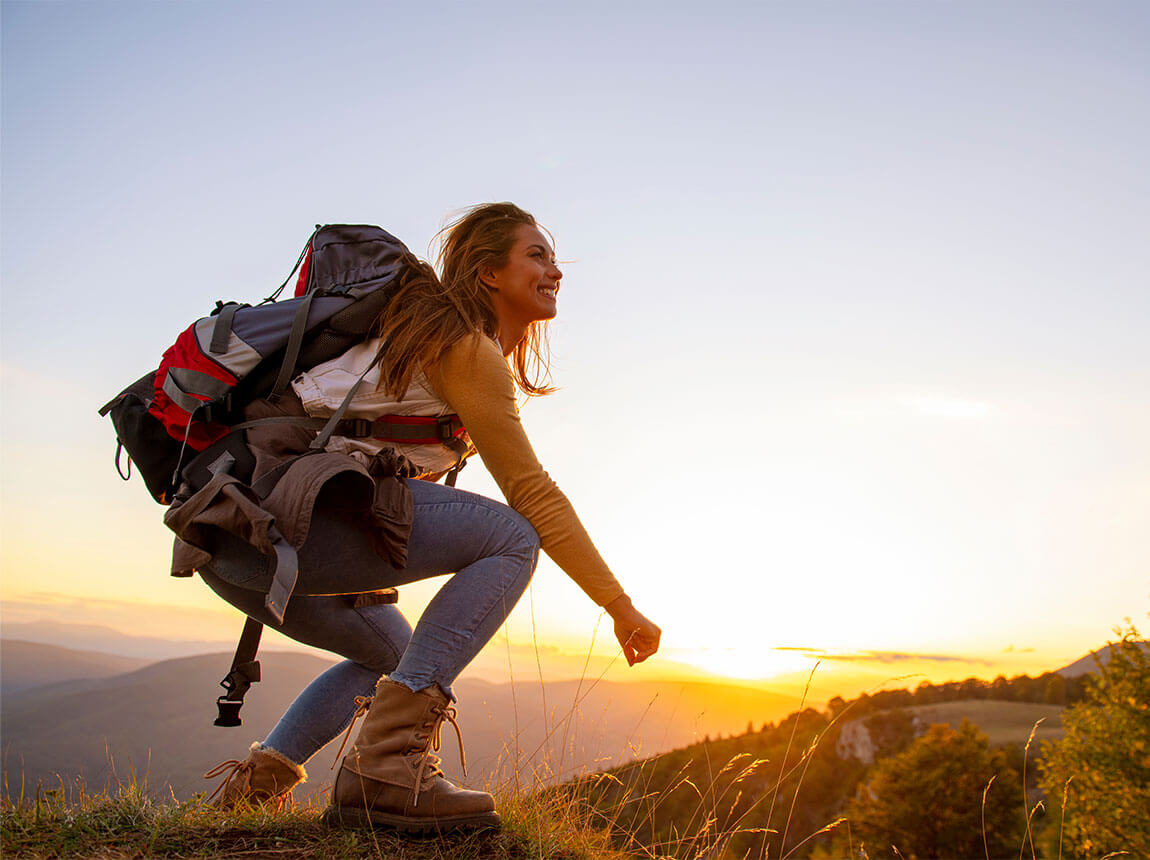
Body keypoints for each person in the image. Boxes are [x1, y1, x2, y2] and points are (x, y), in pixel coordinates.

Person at [199, 203, 661, 832]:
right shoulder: (463, 346)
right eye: (537, 255)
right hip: (287, 527)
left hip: (236, 541)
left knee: (396, 656)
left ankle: (250, 792)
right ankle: (387, 767)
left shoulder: (423, 339)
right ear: (488, 273)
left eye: (554, 258)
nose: (555, 270)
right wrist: (617, 603)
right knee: (511, 537)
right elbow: (533, 494)